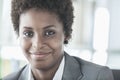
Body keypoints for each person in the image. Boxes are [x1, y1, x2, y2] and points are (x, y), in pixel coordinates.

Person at [3, 0, 114, 80]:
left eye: (49, 33)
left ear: (66, 33)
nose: (37, 44)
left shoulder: (98, 77)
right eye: (28, 33)